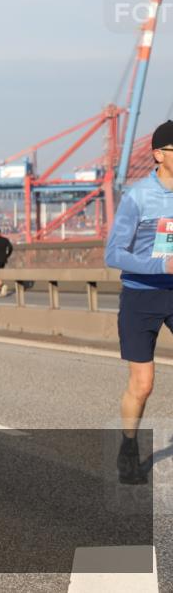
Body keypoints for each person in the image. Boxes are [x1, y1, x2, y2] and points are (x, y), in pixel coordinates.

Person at [105, 119, 173, 484]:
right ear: (159, 155)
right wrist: (161, 265)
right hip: (141, 295)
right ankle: (128, 446)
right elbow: (113, 254)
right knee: (143, 384)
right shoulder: (138, 196)